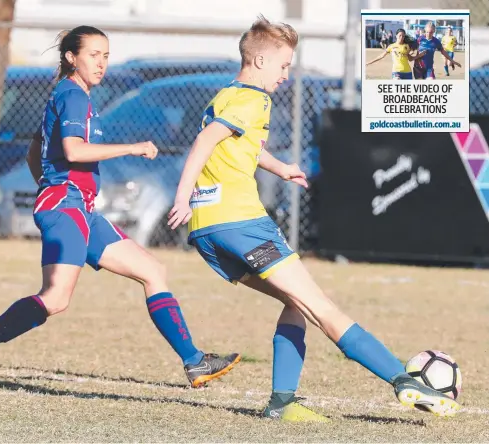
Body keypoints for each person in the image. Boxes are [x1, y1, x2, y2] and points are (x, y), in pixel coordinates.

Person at [167, 15, 462, 421]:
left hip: (208, 230)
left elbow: (240, 145)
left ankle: (282, 403)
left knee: (295, 303)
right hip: (242, 223)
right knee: (321, 307)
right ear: (258, 62)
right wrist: (180, 195)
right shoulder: (253, 97)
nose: (287, 74)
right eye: (284, 65)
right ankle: (402, 380)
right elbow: (204, 142)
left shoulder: (227, 96)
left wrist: (279, 167)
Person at [0, 25, 240, 389]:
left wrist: (50, 186)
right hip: (67, 209)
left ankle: (195, 361)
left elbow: (34, 150)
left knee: (152, 269)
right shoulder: (72, 95)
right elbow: (73, 151)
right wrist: (129, 149)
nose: (101, 63)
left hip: (79, 209)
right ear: (72, 58)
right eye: (93, 55)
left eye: (105, 55)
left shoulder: (72, 95)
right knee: (56, 298)